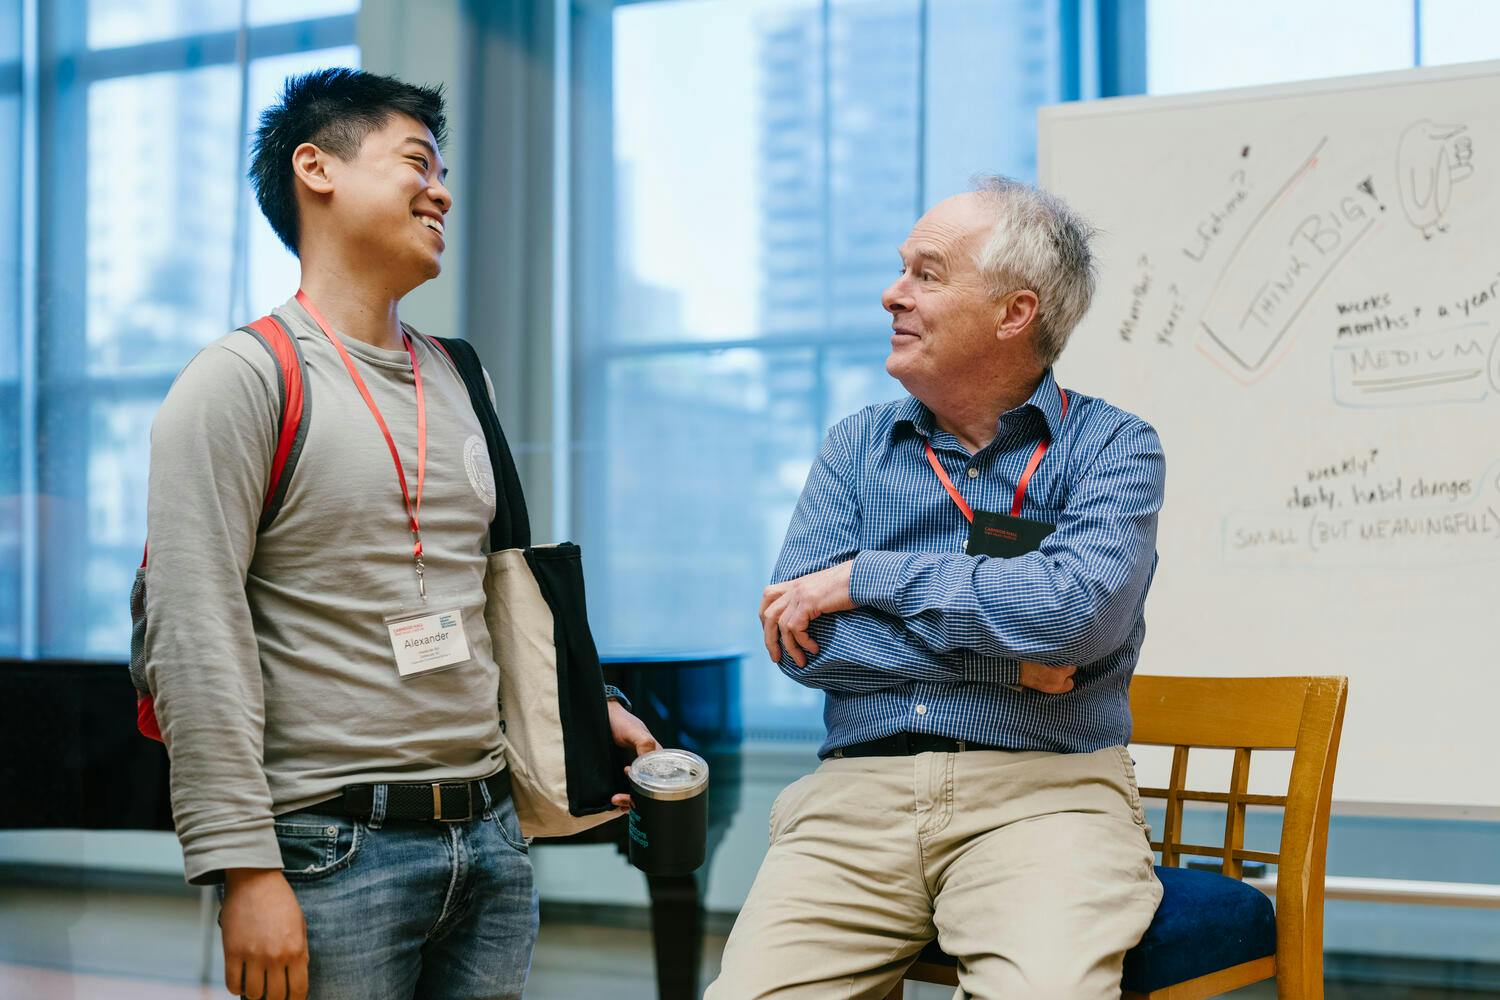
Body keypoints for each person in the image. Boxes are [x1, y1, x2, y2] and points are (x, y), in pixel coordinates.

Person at [141, 68, 658, 1000]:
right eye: (417, 162)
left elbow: (492, 590)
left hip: (491, 842)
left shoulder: (463, 378)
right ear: (316, 169)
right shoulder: (242, 382)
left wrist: (591, 706)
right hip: (330, 850)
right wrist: (244, 870)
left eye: (443, 169)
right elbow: (192, 638)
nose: (443, 190)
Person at [708, 176, 1166, 999]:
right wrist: (1002, 665)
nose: (893, 295)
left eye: (927, 273)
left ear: (1013, 312)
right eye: (901, 271)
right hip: (854, 801)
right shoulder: (857, 447)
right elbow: (802, 640)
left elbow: (1068, 620)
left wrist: (864, 577)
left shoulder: (1114, 449)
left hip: (1044, 801)